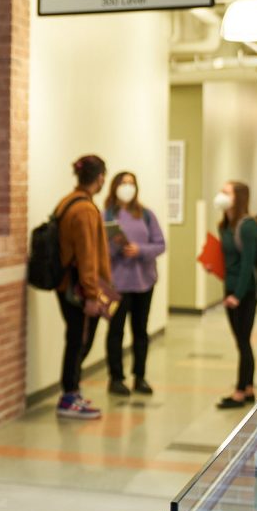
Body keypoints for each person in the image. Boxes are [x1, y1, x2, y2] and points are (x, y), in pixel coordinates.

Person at [54, 155, 112, 420]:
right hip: (78, 290)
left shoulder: (67, 201)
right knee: (79, 341)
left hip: (67, 284)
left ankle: (73, 393)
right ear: (100, 178)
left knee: (76, 339)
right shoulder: (85, 209)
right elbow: (87, 256)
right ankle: (69, 396)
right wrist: (91, 294)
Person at [103, 171, 165, 396]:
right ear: (114, 186)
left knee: (140, 331)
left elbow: (160, 244)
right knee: (115, 332)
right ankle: (116, 378)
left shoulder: (146, 215)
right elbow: (100, 248)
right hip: (116, 285)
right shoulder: (106, 215)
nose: (127, 187)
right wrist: (116, 247)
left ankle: (140, 377)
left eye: (131, 183)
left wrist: (140, 250)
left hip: (143, 283)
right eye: (123, 183)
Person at [215, 181, 257, 408]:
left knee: (243, 341)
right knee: (241, 341)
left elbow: (247, 264)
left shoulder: (248, 227)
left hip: (245, 291)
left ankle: (240, 392)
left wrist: (238, 295)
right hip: (230, 288)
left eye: (226, 192)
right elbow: (229, 260)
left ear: (238, 198)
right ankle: (248, 388)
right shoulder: (225, 225)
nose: (221, 195)